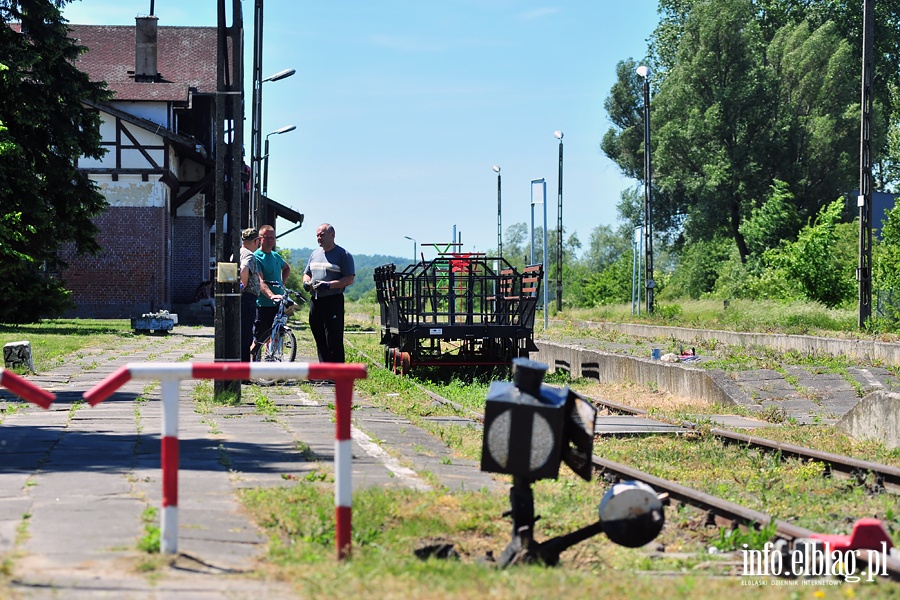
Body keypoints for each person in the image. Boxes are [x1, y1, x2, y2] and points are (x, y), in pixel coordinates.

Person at [303, 223, 355, 363]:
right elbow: (307, 273)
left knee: (333, 338)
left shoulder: (343, 255)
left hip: (333, 300)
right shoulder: (314, 254)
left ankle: (337, 372)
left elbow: (349, 278)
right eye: (317, 235)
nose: (319, 238)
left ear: (332, 235)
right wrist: (306, 282)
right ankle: (324, 370)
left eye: (322, 235)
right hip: (315, 300)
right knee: (318, 335)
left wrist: (329, 285)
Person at [253, 224, 289, 348]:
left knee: (276, 338)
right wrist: (272, 295)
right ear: (260, 239)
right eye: (266, 237)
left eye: (272, 238)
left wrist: (282, 285)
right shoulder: (257, 257)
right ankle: (253, 364)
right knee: (259, 340)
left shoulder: (275, 256)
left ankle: (271, 364)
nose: (270, 240)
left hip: (278, 306)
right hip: (264, 304)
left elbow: (286, 268)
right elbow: (260, 281)